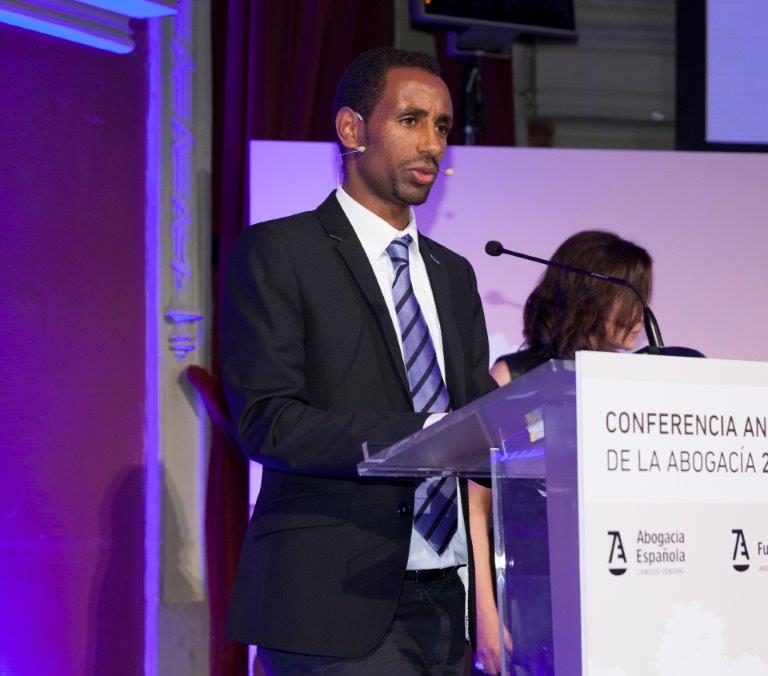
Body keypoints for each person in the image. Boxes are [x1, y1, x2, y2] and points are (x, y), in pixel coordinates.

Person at [220, 47, 495, 674]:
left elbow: (477, 416)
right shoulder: (280, 251)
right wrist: (426, 438)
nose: (432, 144)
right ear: (352, 129)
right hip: (331, 600)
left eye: (443, 126)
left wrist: (542, 438)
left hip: (446, 600)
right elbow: (268, 421)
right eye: (411, 121)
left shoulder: (454, 274)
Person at [468, 230, 653, 674]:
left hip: (620, 586)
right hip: (532, 593)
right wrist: (484, 613)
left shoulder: (634, 382)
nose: (640, 314)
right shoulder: (515, 377)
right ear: (590, 298)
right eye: (631, 297)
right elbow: (474, 506)